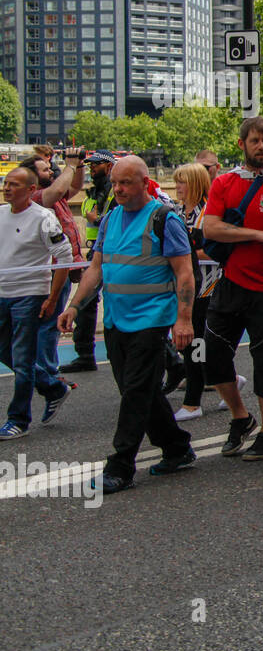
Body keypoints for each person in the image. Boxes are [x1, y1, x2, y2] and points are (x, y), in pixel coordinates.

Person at [56, 156, 196, 493]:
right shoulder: (111, 219)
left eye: (126, 183)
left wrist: (184, 319)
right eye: (116, 183)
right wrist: (75, 305)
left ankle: (120, 467)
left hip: (151, 321)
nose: (118, 189)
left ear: (145, 183)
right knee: (140, 391)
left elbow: (184, 272)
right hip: (118, 320)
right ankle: (177, 448)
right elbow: (96, 268)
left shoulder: (164, 220)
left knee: (135, 393)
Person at [202, 116, 263, 462]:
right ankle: (240, 418)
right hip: (230, 284)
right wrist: (256, 235)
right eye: (256, 140)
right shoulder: (224, 183)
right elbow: (210, 229)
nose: (262, 146)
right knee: (212, 358)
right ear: (241, 144)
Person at [0, 166, 73, 439]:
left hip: (29, 295)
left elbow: (64, 258)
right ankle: (52, 386)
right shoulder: (0, 214)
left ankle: (18, 419)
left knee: (22, 358)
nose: (7, 188)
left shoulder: (44, 217)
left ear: (31, 190)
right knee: (7, 351)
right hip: (2, 293)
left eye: (15, 184)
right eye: (6, 183)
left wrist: (53, 298)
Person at [62, 150, 117, 374]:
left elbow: (117, 216)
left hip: (115, 252)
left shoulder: (116, 189)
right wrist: (96, 217)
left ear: (110, 166)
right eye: (91, 165)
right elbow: (87, 211)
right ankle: (84, 354)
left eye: (97, 164)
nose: (93, 168)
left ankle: (172, 362)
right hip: (96, 252)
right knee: (85, 304)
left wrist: (99, 218)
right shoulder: (93, 192)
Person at [172, 163, 217, 422]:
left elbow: (216, 250)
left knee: (194, 342)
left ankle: (193, 401)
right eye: (177, 181)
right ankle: (228, 378)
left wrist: (183, 254)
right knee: (195, 344)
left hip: (206, 286)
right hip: (183, 284)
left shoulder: (208, 214)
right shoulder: (176, 212)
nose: (177, 186)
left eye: (183, 181)